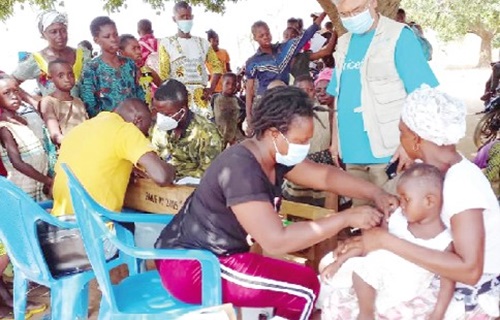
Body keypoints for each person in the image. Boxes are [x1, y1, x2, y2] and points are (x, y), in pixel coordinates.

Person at [154, 86, 398, 320]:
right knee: (304, 288)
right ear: (274, 134)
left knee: (302, 286)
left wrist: (375, 193)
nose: (305, 147)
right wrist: (345, 218)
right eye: (301, 140)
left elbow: (325, 176)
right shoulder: (241, 169)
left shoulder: (271, 155)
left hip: (215, 256)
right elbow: (276, 241)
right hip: (193, 264)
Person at [332, 85, 500, 318]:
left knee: (350, 307)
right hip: (441, 276)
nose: (399, 140)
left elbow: (470, 271)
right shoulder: (434, 173)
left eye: (402, 132)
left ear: (417, 139)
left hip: (472, 289)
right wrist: (367, 242)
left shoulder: (462, 185)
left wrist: (385, 242)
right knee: (347, 285)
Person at [326, 0, 439, 206]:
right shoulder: (344, 42)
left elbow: (424, 94)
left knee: (394, 219)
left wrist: (410, 144)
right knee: (365, 220)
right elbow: (339, 93)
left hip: (390, 152)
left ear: (373, 3)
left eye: (357, 10)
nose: (352, 17)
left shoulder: (398, 37)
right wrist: (335, 140)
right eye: (345, 14)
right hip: (351, 152)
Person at [321, 163, 456, 319]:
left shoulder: (444, 240)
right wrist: (338, 262)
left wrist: (438, 313)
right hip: (377, 276)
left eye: (406, 200)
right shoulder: (397, 219)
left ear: (429, 201)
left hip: (406, 287)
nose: (401, 205)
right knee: (361, 269)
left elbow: (448, 281)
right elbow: (369, 246)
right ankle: (366, 313)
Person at [51, 98, 175, 216]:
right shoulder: (126, 130)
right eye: (144, 132)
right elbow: (161, 176)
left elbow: (53, 189)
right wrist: (172, 170)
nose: (144, 136)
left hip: (60, 222)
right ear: (138, 120)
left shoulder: (78, 129)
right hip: (94, 228)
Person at [0, 75, 50, 319]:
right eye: (7, 93)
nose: (14, 96)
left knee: (32, 235)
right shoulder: (3, 127)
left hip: (35, 187)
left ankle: (26, 284)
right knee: (15, 242)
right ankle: (13, 294)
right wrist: (48, 180)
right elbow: (17, 163)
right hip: (21, 189)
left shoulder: (20, 119)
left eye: (15, 91)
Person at [245, 13, 326, 124]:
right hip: (265, 104)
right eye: (261, 35)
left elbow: (306, 35)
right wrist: (249, 115)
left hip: (284, 101)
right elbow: (249, 90)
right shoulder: (253, 62)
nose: (265, 37)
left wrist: (324, 13)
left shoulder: (284, 50)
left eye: (267, 33)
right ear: (255, 38)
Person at [158, 1, 223, 119]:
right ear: (174, 19)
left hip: (201, 98)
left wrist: (211, 88)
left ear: (192, 17)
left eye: (188, 16)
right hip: (178, 98)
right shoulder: (166, 43)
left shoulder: (203, 43)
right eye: (182, 17)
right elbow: (164, 74)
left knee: (206, 131)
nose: (186, 19)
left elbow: (217, 66)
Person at [150, 79, 223, 180]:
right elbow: (155, 158)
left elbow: (209, 173)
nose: (161, 118)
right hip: (163, 184)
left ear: (182, 111)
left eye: (166, 114)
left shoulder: (207, 133)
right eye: (158, 112)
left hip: (193, 188)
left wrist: (181, 181)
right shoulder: (159, 128)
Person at [282, 73, 336, 207]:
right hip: (301, 162)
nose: (307, 93)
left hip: (324, 161)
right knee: (298, 202)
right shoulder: (289, 114)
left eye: (311, 90)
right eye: (302, 90)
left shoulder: (325, 111)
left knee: (324, 202)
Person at [12, 10, 89, 97]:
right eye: (53, 32)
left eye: (63, 30)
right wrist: (33, 101)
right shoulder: (36, 61)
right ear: (44, 34)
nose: (59, 36)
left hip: (85, 110)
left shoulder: (82, 56)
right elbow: (10, 83)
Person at [80, 16, 145, 118]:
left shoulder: (129, 64)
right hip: (108, 126)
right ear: (96, 40)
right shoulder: (92, 68)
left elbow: (139, 92)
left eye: (116, 34)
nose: (114, 39)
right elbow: (89, 103)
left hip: (134, 123)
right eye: (107, 36)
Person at [40, 59, 88, 147]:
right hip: (68, 149)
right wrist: (74, 143)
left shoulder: (78, 101)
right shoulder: (48, 102)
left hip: (86, 146)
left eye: (70, 74)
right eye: (61, 76)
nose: (67, 79)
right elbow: (55, 135)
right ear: (50, 78)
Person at [119, 34, 162, 107]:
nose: (139, 51)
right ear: (121, 52)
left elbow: (161, 86)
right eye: (134, 49)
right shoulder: (118, 74)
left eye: (139, 48)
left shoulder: (145, 71)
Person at [210, 72, 245, 146]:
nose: (230, 87)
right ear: (222, 83)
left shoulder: (237, 100)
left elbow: (244, 110)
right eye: (227, 83)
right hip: (219, 131)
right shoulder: (215, 97)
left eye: (233, 84)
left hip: (234, 130)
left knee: (241, 148)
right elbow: (210, 112)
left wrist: (239, 120)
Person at [206, 29, 231, 95]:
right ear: (209, 41)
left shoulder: (224, 52)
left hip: (227, 87)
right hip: (215, 88)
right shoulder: (206, 55)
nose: (216, 42)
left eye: (217, 39)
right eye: (214, 40)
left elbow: (229, 70)